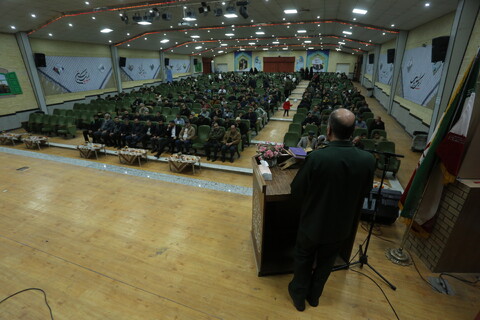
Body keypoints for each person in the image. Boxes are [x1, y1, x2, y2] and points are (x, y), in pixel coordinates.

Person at [288, 108, 375, 312]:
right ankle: (315, 296)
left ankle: (298, 297)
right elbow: (365, 191)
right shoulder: (367, 160)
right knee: (326, 262)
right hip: (342, 225)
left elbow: (297, 190)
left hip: (313, 222)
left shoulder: (317, 158)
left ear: (328, 130)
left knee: (303, 258)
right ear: (353, 131)